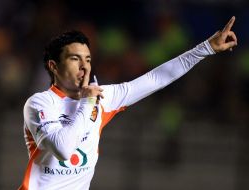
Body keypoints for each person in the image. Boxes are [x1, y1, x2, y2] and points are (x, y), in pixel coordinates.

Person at [19, 16, 237, 190]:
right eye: (75, 59)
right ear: (53, 66)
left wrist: (205, 48)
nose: (84, 66)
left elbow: (156, 78)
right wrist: (87, 102)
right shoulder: (39, 103)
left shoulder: (101, 97)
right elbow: (63, 149)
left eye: (87, 59)